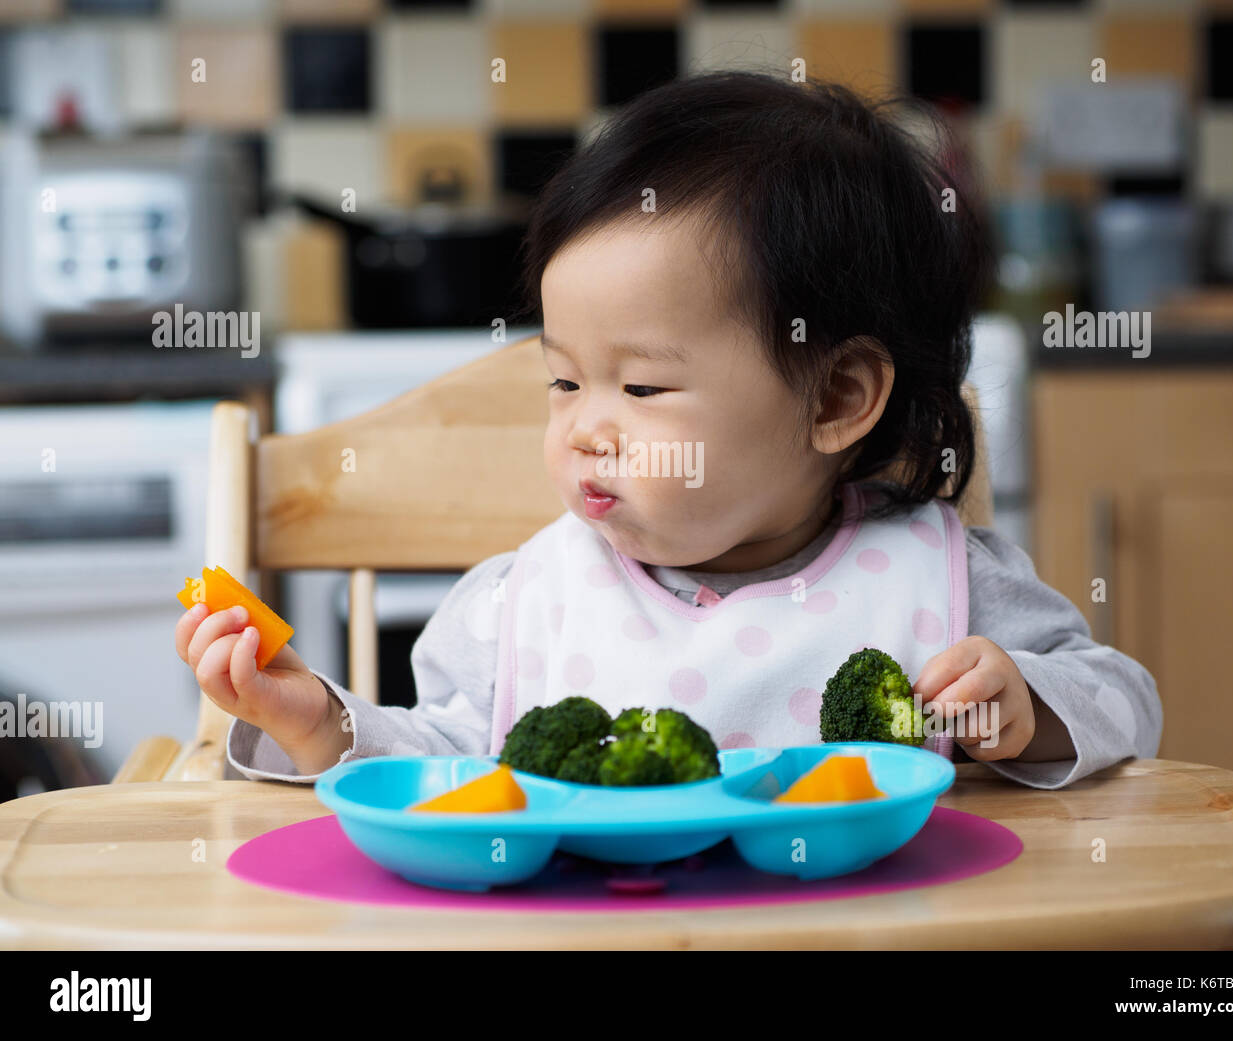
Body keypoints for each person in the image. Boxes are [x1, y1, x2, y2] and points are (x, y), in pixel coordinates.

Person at [175, 71, 1160, 790]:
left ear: (834, 399)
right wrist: (321, 726)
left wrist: (1025, 705)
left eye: (641, 387)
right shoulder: (523, 602)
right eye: (564, 380)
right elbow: (445, 765)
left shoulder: (940, 578)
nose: (585, 430)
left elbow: (1123, 700)